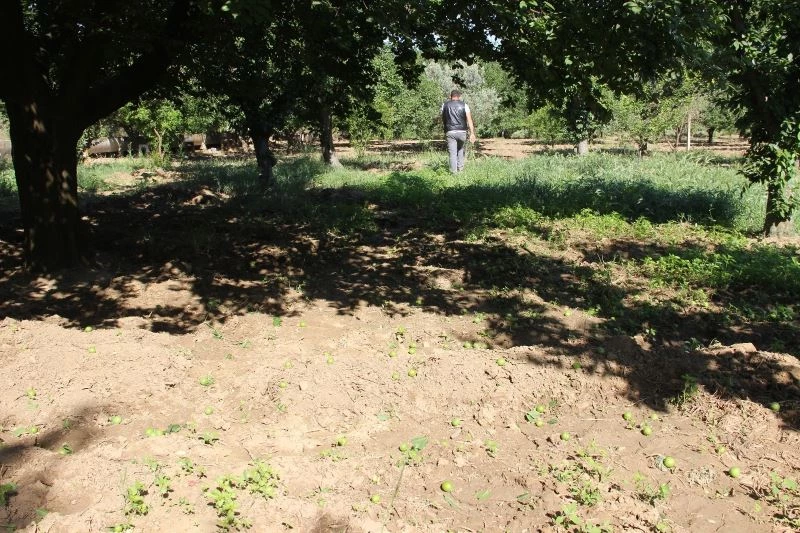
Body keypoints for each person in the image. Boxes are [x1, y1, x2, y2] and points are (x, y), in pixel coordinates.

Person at [441, 89, 476, 173]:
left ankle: (454, 173)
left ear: (450, 96)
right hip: (462, 132)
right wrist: (472, 133)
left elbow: (443, 118)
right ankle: (461, 170)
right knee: (460, 150)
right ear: (459, 96)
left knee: (452, 153)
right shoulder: (465, 105)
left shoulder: (444, 105)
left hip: (450, 131)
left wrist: (446, 128)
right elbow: (469, 120)